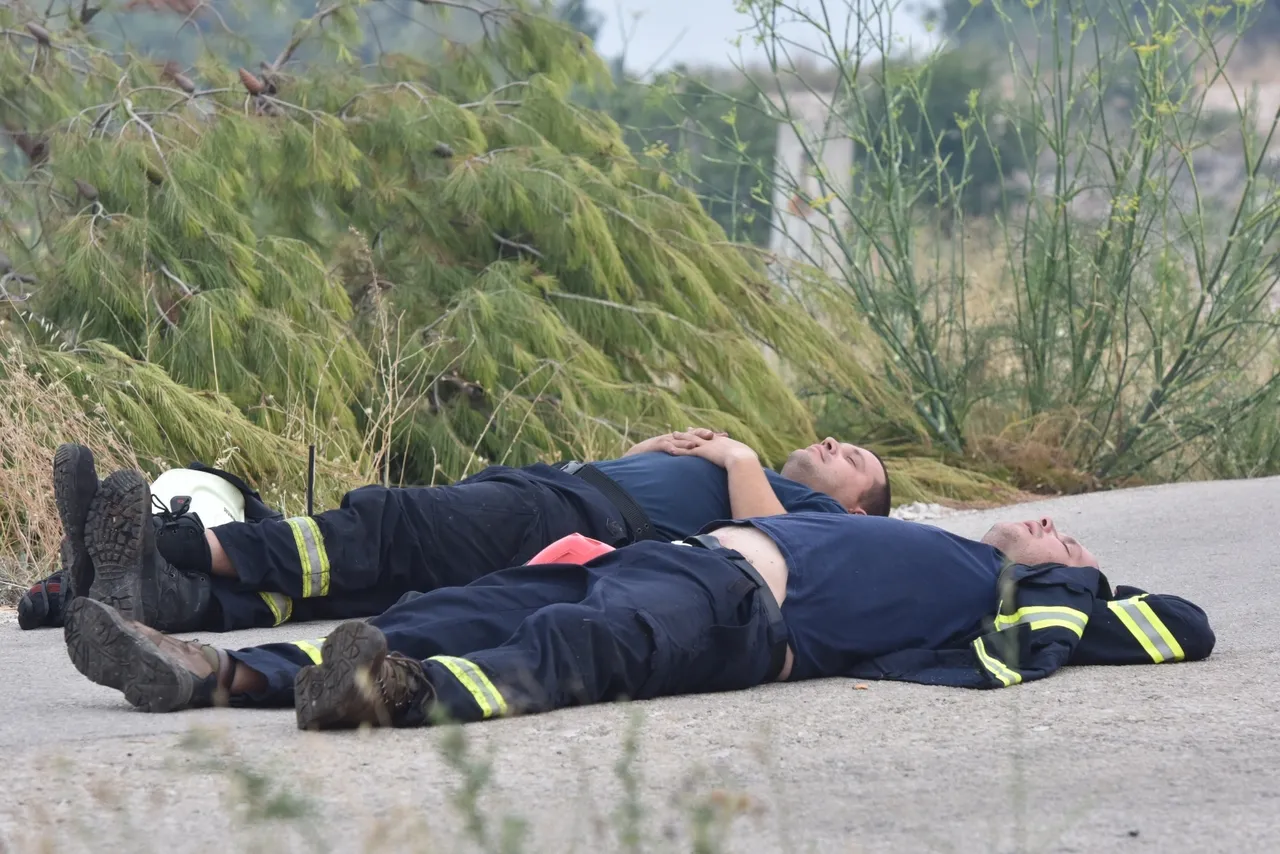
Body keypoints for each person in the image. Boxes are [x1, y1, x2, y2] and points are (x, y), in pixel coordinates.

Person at [62, 509, 1214, 731]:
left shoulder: (1009, 599)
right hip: (658, 557)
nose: (1051, 520)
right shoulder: (944, 541)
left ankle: (401, 696)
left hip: (730, 607)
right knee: (436, 606)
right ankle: (217, 670)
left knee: (585, 654)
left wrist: (1068, 579)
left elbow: (1187, 626)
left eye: (1070, 533)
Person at [45, 428, 890, 634]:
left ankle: (167, 547)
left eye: (851, 456)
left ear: (856, 508)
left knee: (388, 525)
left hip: (570, 517)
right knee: (364, 582)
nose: (831, 444)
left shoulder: (811, 516)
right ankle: (139, 597)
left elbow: (781, 548)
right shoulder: (759, 475)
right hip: (563, 496)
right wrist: (645, 451)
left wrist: (739, 457)